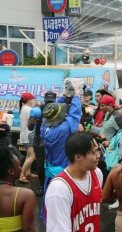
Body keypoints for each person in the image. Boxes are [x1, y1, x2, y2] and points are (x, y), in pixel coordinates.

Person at [40, 83, 81, 223]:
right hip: (64, 169)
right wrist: (76, 95)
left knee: (50, 198)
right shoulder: (63, 129)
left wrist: (63, 97)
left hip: (51, 169)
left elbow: (53, 110)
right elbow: (75, 114)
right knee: (65, 201)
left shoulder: (44, 127)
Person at [45, 132, 103, 232]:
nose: (98, 155)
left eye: (97, 150)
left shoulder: (97, 174)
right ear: (78, 157)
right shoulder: (59, 188)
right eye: (94, 152)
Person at [0, 142, 36, 232]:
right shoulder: (25, 195)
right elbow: (28, 229)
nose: (21, 168)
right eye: (19, 166)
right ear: (11, 171)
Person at [33, 91, 57, 196]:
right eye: (47, 101)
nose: (49, 103)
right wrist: (32, 121)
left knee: (54, 163)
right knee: (40, 164)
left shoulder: (58, 109)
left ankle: (54, 185)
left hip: (53, 139)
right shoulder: (38, 110)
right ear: (44, 100)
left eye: (51, 101)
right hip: (39, 139)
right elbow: (30, 127)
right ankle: (41, 186)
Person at [18, 92, 37, 184]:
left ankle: (27, 173)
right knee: (32, 156)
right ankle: (21, 174)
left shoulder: (23, 108)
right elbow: (34, 120)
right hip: (29, 134)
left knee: (29, 155)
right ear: (29, 100)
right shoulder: (29, 109)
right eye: (32, 99)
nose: (33, 100)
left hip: (24, 134)